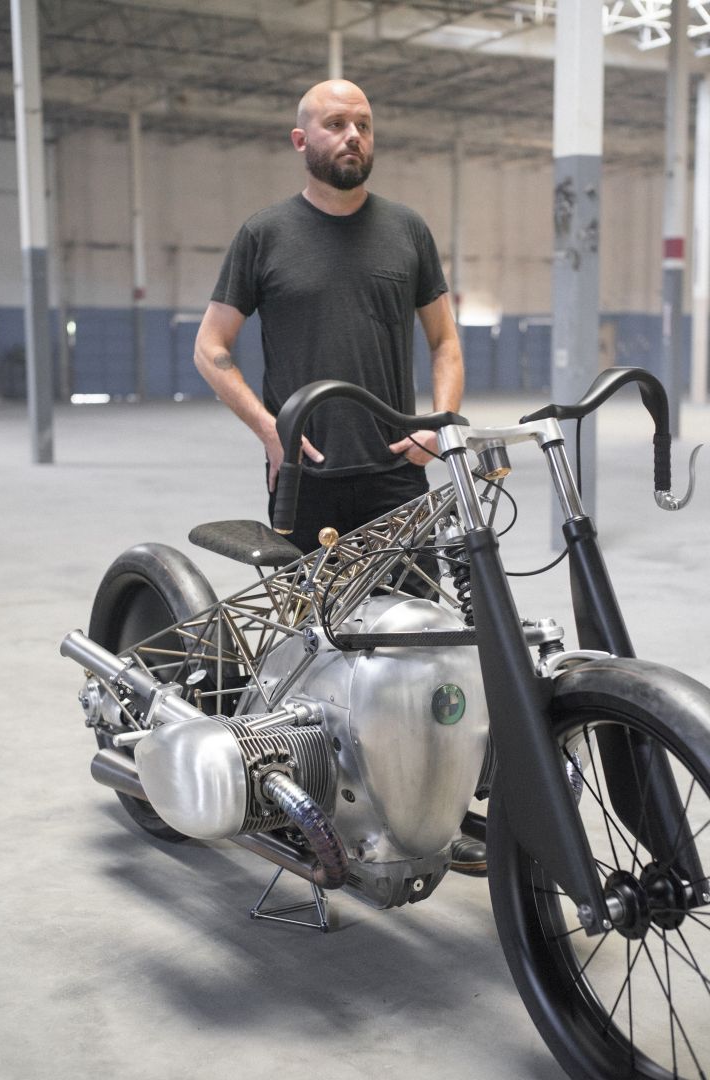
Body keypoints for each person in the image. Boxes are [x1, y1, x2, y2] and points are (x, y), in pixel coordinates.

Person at [194, 79, 485, 875]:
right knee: (310, 657)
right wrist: (269, 429)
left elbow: (446, 342)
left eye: (362, 123)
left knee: (421, 655)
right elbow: (211, 349)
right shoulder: (264, 235)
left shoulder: (407, 231)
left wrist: (438, 422)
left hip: (396, 482)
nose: (352, 134)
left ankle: (433, 809)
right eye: (334, 123)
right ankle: (307, 802)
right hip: (308, 484)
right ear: (302, 140)